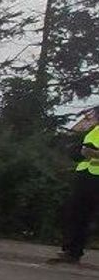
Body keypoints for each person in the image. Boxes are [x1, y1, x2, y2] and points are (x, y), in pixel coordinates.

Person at [49, 107, 99, 264]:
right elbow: (79, 152)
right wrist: (79, 152)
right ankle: (72, 251)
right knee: (77, 214)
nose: (91, 117)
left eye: (94, 115)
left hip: (95, 178)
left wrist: (95, 154)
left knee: (83, 214)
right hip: (86, 175)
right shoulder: (94, 131)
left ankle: (73, 250)